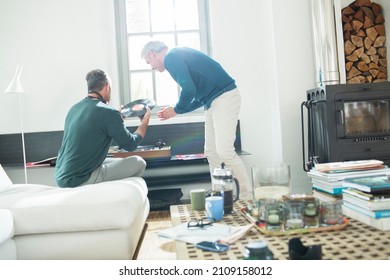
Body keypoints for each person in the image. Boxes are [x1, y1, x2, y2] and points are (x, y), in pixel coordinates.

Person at [141, 41, 252, 198]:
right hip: (212, 101)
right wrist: (177, 110)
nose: (151, 67)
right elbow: (197, 96)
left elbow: (188, 88)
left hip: (224, 97)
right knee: (211, 152)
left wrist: (176, 109)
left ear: (152, 53)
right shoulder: (176, 57)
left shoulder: (171, 57)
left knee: (225, 151)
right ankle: (220, 195)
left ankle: (247, 197)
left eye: (149, 62)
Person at [55, 69, 151, 188]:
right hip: (78, 178)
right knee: (139, 162)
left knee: (109, 160)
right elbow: (130, 144)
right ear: (107, 87)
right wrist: (144, 123)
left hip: (61, 175)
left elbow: (94, 126)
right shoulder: (107, 112)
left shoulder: (74, 109)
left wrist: (117, 118)